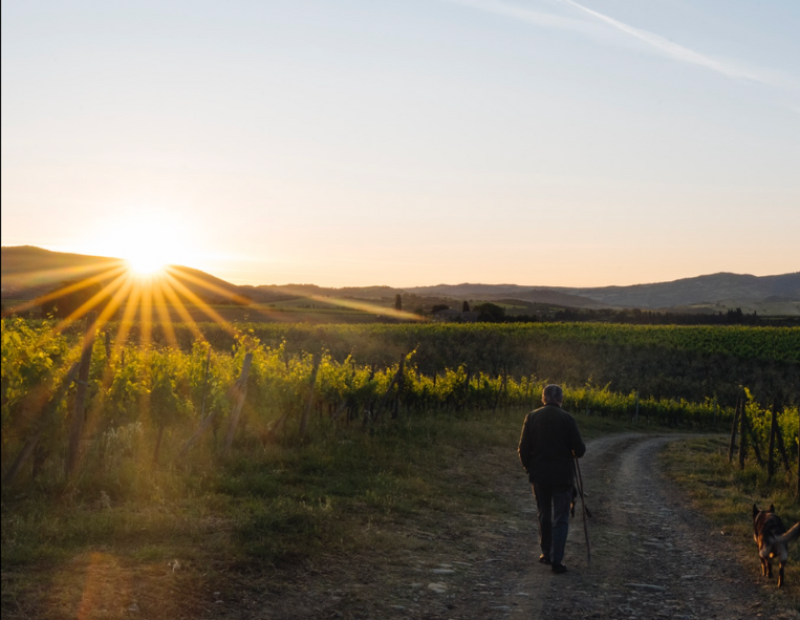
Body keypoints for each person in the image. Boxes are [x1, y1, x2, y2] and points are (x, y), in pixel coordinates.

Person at [517, 384, 586, 574]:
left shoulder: (531, 417)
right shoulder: (568, 418)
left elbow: (522, 449)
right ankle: (557, 560)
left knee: (544, 514)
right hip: (562, 476)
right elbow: (579, 450)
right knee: (561, 517)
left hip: (539, 475)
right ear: (561, 399)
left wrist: (528, 467)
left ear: (543, 398)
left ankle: (546, 553)